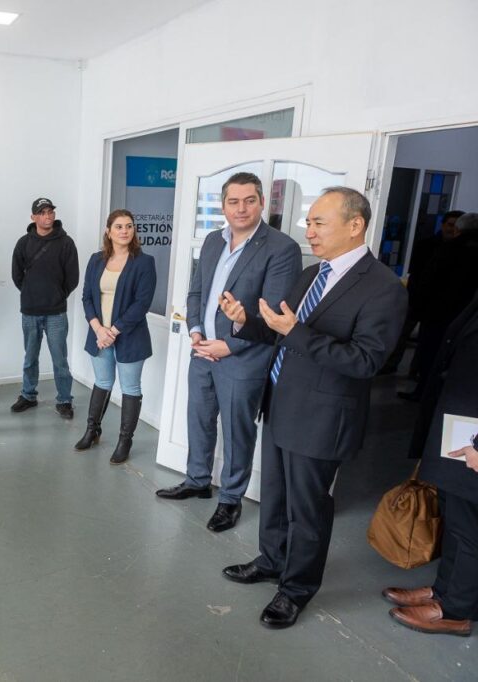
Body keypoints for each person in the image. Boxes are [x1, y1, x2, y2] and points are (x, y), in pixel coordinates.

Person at [218, 187, 407, 629]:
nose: (310, 232)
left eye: (319, 223)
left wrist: (294, 332)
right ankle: (271, 560)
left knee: (307, 509)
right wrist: (247, 323)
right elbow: (283, 332)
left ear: (355, 225)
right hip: (281, 402)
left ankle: (297, 589)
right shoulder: (310, 274)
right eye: (309, 223)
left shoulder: (383, 288)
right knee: (275, 496)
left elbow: (366, 360)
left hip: (323, 418)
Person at [156, 172, 302, 533]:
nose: (241, 208)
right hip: (202, 350)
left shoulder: (281, 248)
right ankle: (198, 480)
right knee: (199, 419)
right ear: (223, 206)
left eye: (249, 200)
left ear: (262, 203)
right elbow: (197, 293)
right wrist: (195, 331)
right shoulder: (212, 241)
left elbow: (274, 316)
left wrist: (229, 344)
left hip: (243, 358)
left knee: (238, 432)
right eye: (233, 201)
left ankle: (231, 499)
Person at [384, 292, 478, 637]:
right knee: (456, 517)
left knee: (469, 528)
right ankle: (444, 591)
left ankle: (456, 610)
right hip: (463, 425)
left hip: (474, 438)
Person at [75, 209, 156, 463]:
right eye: (119, 226)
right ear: (108, 231)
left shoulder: (144, 262)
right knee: (102, 382)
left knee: (131, 387)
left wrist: (113, 331)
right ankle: (92, 430)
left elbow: (142, 304)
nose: (124, 231)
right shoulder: (96, 260)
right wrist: (99, 329)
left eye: (129, 226)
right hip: (99, 334)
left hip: (130, 336)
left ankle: (125, 441)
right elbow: (87, 297)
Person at [10, 197, 80, 419]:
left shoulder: (66, 243)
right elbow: (16, 275)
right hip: (30, 311)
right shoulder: (23, 243)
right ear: (33, 217)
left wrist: (57, 295)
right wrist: (30, 293)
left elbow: (73, 278)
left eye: (50, 212)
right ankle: (28, 395)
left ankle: (64, 400)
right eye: (42, 212)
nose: (47, 216)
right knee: (30, 357)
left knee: (60, 359)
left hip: (56, 312)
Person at [399, 211, 478, 400]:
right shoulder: (439, 246)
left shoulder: (449, 249)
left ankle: (425, 393)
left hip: (437, 314)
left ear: (458, 229)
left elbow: (428, 281)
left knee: (431, 354)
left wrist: (418, 308)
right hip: (466, 317)